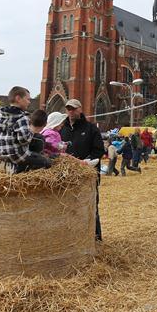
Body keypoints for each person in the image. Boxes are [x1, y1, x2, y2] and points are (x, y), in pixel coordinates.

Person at [59, 98, 105, 241]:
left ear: (80, 109)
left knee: (90, 207)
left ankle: (95, 238)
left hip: (87, 175)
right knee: (69, 207)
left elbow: (99, 151)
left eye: (73, 108)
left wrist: (85, 163)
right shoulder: (62, 129)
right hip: (68, 176)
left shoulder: (91, 129)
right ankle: (73, 239)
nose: (71, 111)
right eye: (68, 109)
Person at [0, 87, 51, 173]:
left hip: (1, 153)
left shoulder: (1, 115)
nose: (29, 102)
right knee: (45, 162)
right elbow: (23, 140)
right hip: (17, 155)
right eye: (28, 99)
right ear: (18, 99)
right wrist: (31, 132)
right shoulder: (22, 117)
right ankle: (19, 169)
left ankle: (6, 165)